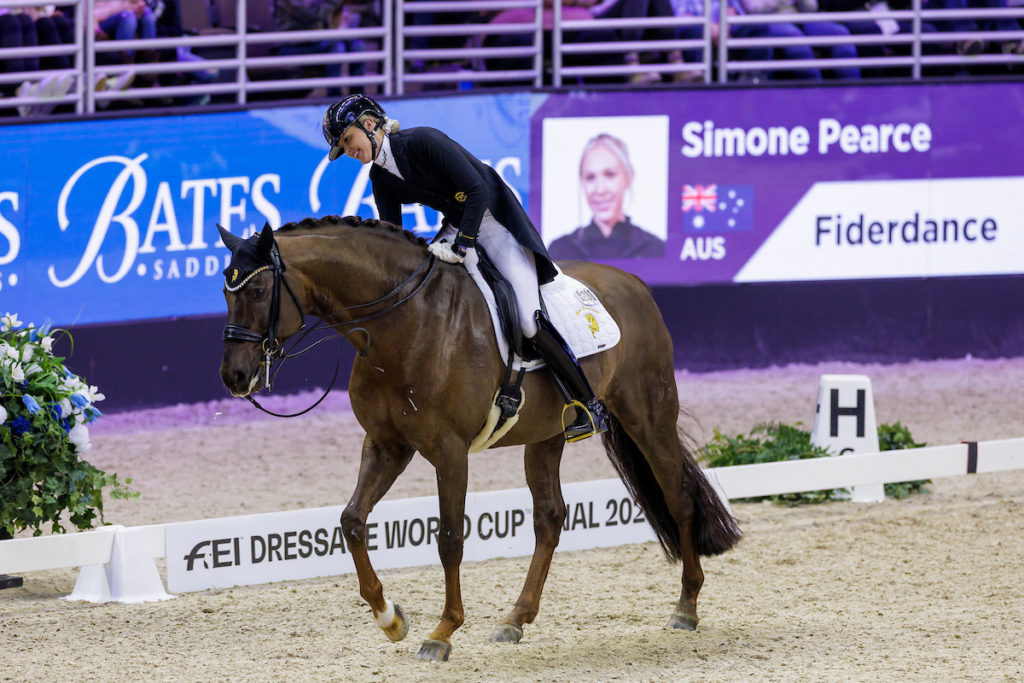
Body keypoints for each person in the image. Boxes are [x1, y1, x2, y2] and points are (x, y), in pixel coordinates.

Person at [322, 94, 609, 442]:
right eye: (342, 147)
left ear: (369, 125)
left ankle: (588, 404)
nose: (348, 151)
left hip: (494, 224)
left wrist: (464, 243)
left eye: (347, 140)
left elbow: (477, 190)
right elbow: (393, 237)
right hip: (457, 226)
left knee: (528, 321)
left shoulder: (422, 141)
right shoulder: (381, 177)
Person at [548, 133, 664, 260]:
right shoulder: (560, 250)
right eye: (590, 177)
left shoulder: (655, 249)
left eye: (610, 175)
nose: (600, 189)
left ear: (629, 177)